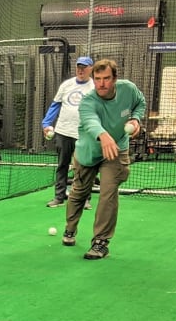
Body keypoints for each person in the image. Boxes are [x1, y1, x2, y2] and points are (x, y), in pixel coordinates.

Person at [62, 58, 144, 260]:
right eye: (97, 78)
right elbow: (90, 121)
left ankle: (100, 242)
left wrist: (136, 118)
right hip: (89, 151)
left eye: (106, 78)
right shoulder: (89, 100)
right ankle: (70, 228)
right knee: (79, 193)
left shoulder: (128, 89)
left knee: (108, 193)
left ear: (115, 78)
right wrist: (103, 135)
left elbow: (140, 103)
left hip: (116, 150)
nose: (101, 83)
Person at [43, 56, 95, 210]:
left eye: (84, 67)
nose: (81, 70)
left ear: (91, 69)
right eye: (79, 67)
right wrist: (46, 123)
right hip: (63, 131)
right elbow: (55, 105)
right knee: (62, 165)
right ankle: (59, 197)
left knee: (84, 167)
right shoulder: (66, 85)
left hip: (84, 134)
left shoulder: (94, 87)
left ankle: (84, 199)